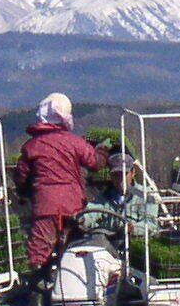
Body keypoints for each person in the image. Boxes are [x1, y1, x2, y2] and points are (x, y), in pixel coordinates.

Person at [12, 93, 109, 273]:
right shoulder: (74, 142)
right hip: (73, 206)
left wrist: (25, 194)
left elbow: (21, 178)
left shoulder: (31, 146)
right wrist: (103, 150)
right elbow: (95, 162)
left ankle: (39, 294)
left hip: (45, 207)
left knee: (39, 253)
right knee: (76, 249)